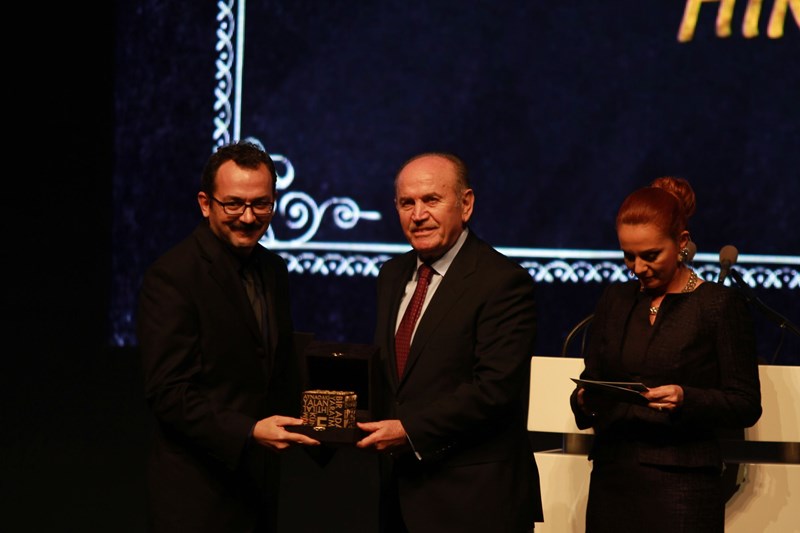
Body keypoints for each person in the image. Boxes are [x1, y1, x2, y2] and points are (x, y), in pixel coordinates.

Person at [137, 141, 319, 532]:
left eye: (261, 204)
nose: (248, 217)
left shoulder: (273, 269)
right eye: (233, 204)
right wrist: (249, 431)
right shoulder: (173, 276)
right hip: (196, 495)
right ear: (206, 204)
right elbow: (168, 393)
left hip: (258, 490)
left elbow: (273, 368)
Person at [356, 152, 543, 533]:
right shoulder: (391, 275)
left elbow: (494, 389)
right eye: (407, 203)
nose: (418, 214)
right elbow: (396, 381)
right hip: (398, 497)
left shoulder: (502, 281)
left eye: (431, 200)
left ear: (466, 204)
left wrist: (408, 430)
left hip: (474, 501)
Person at [569, 176, 762, 532]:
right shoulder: (616, 300)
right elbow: (592, 379)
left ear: (682, 243)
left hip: (682, 483)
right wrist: (584, 399)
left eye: (650, 255)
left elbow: (745, 403)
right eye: (628, 256)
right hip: (613, 478)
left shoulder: (717, 305)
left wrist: (686, 398)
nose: (638, 268)